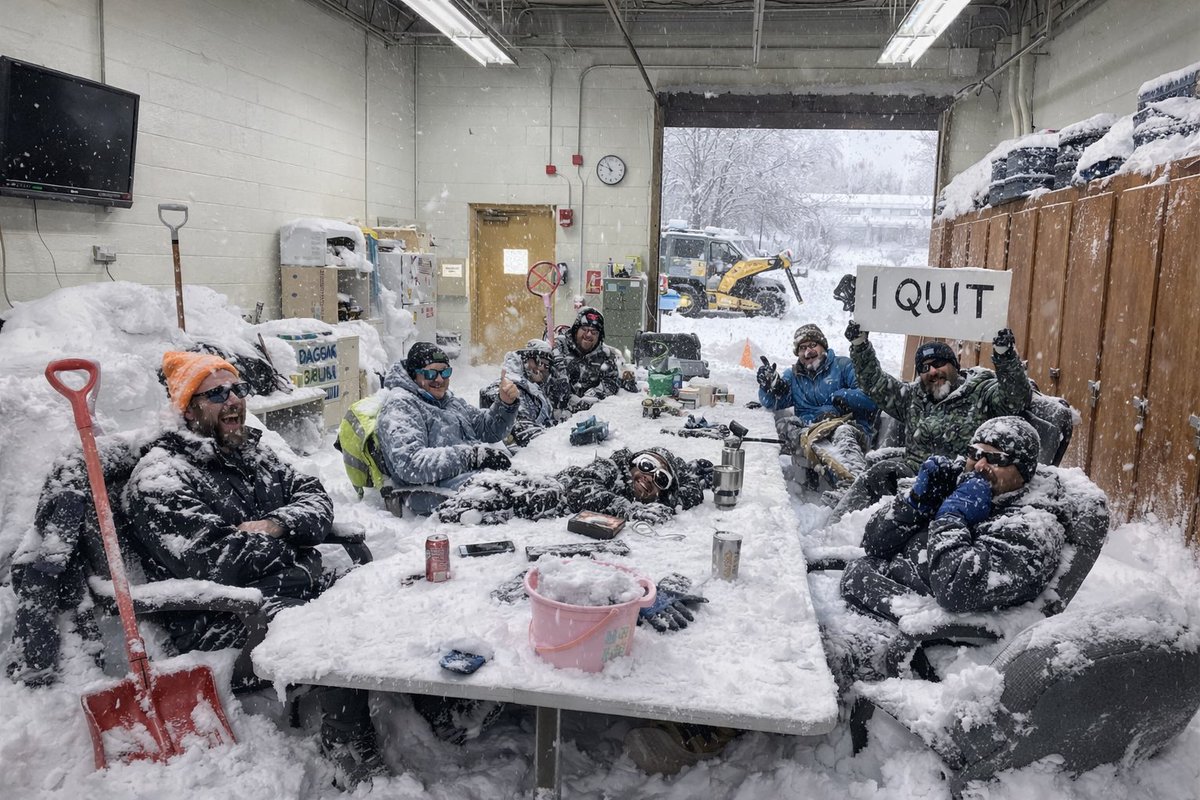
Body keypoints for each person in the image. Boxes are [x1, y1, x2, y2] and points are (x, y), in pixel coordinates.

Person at [120, 352, 386, 789]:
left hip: (285, 587)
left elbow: (315, 497)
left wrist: (276, 525)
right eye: (216, 394)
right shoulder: (160, 479)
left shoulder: (249, 452)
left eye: (237, 389)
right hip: (220, 617)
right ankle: (346, 745)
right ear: (187, 408)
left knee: (380, 594)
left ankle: (431, 711)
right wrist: (292, 546)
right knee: (329, 622)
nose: (234, 401)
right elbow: (217, 561)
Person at [823, 416, 1108, 690]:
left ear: (1022, 471)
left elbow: (957, 590)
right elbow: (874, 543)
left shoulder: (1034, 528)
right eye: (975, 453)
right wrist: (917, 502)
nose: (980, 465)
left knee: (809, 672)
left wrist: (952, 517)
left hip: (916, 638)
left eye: (997, 459)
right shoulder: (962, 485)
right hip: (868, 600)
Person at [829, 323, 1031, 521]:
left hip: (964, 482)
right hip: (914, 477)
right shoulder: (911, 397)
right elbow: (874, 382)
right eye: (925, 368)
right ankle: (835, 529)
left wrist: (1005, 356)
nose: (933, 372)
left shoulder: (981, 392)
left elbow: (1015, 399)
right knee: (877, 473)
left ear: (954, 365)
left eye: (939, 363)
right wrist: (860, 345)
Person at [377, 341, 519, 515]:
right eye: (430, 373)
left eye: (445, 372)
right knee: (518, 499)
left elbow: (487, 430)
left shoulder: (448, 401)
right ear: (415, 375)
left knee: (531, 488)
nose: (439, 379)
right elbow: (410, 464)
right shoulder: (400, 405)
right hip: (434, 492)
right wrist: (471, 457)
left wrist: (505, 404)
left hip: (470, 481)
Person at [435, 446, 706, 525]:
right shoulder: (613, 468)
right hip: (536, 490)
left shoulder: (659, 499)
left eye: (660, 479)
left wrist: (696, 473)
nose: (648, 477)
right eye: (647, 466)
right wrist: (627, 510)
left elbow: (686, 495)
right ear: (634, 461)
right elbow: (580, 489)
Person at [757, 323, 877, 490]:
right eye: (802, 348)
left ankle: (856, 487)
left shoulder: (844, 366)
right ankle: (834, 479)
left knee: (842, 434)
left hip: (845, 426)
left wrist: (842, 397)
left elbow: (872, 398)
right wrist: (770, 387)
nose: (808, 352)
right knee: (785, 426)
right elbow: (771, 402)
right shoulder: (794, 375)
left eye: (813, 345)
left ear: (823, 347)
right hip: (809, 432)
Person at [548, 306, 629, 414]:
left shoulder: (605, 355)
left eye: (594, 331)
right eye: (585, 329)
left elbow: (611, 382)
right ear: (576, 330)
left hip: (592, 413)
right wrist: (569, 398)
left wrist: (591, 397)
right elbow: (546, 378)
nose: (589, 334)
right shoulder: (559, 348)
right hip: (558, 414)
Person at [479, 339, 559, 446]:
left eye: (546, 366)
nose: (542, 368)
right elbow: (519, 425)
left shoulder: (535, 391)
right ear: (525, 359)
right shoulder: (506, 386)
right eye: (539, 362)